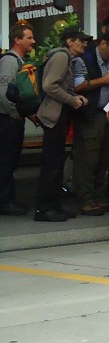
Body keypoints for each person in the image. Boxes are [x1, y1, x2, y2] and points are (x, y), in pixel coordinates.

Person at [33, 27, 90, 222]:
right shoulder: (62, 57)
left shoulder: (67, 58)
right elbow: (49, 85)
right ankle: (44, 208)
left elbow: (60, 86)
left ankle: (54, 205)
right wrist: (72, 100)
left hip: (58, 116)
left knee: (56, 163)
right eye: (81, 40)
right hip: (53, 117)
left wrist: (75, 96)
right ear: (69, 42)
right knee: (52, 164)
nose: (85, 44)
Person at [71, 25, 109, 216]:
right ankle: (86, 199)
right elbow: (77, 86)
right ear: (103, 44)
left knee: (103, 159)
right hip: (90, 115)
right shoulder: (84, 60)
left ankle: (99, 197)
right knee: (88, 159)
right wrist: (103, 80)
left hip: (107, 115)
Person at [0, 23, 36, 216]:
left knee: (10, 160)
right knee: (6, 160)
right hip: (7, 120)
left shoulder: (19, 60)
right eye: (29, 37)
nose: (33, 41)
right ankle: (5, 201)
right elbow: (4, 92)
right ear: (17, 40)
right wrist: (14, 113)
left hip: (12, 118)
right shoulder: (10, 61)